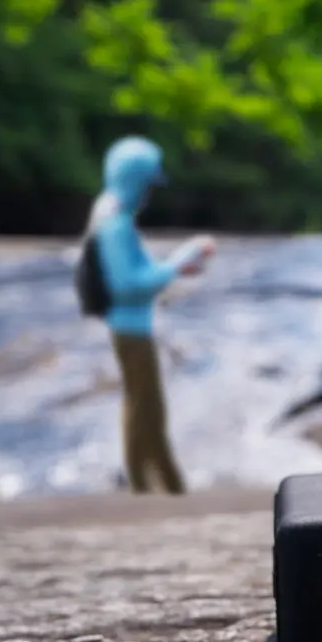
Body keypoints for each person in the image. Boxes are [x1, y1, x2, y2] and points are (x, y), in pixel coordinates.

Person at [84, 137, 215, 494]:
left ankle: (160, 486)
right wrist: (178, 262)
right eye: (147, 184)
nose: (149, 194)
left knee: (146, 406)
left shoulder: (112, 217)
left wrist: (175, 267)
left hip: (134, 325)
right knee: (146, 408)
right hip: (131, 328)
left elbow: (139, 273)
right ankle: (151, 487)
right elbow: (129, 284)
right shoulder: (115, 226)